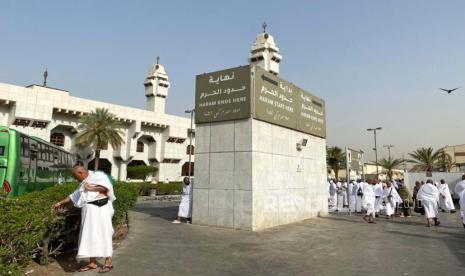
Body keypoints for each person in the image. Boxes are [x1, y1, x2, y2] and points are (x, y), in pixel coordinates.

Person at [52, 165, 115, 273]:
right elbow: (72, 196)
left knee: (105, 233)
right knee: (89, 234)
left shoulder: (98, 175)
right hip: (89, 210)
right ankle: (92, 262)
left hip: (103, 208)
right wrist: (60, 203)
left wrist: (91, 188)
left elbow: (106, 188)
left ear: (81, 173)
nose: (75, 180)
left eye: (76, 177)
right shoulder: (83, 183)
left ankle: (108, 262)